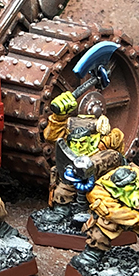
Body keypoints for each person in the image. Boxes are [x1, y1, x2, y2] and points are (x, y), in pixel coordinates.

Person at [41, 88, 126, 221]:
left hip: (97, 175)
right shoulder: (68, 137)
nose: (79, 146)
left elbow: (117, 146)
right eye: (75, 143)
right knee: (63, 188)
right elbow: (51, 136)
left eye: (82, 143)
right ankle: (62, 208)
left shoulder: (102, 143)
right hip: (73, 174)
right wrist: (58, 118)